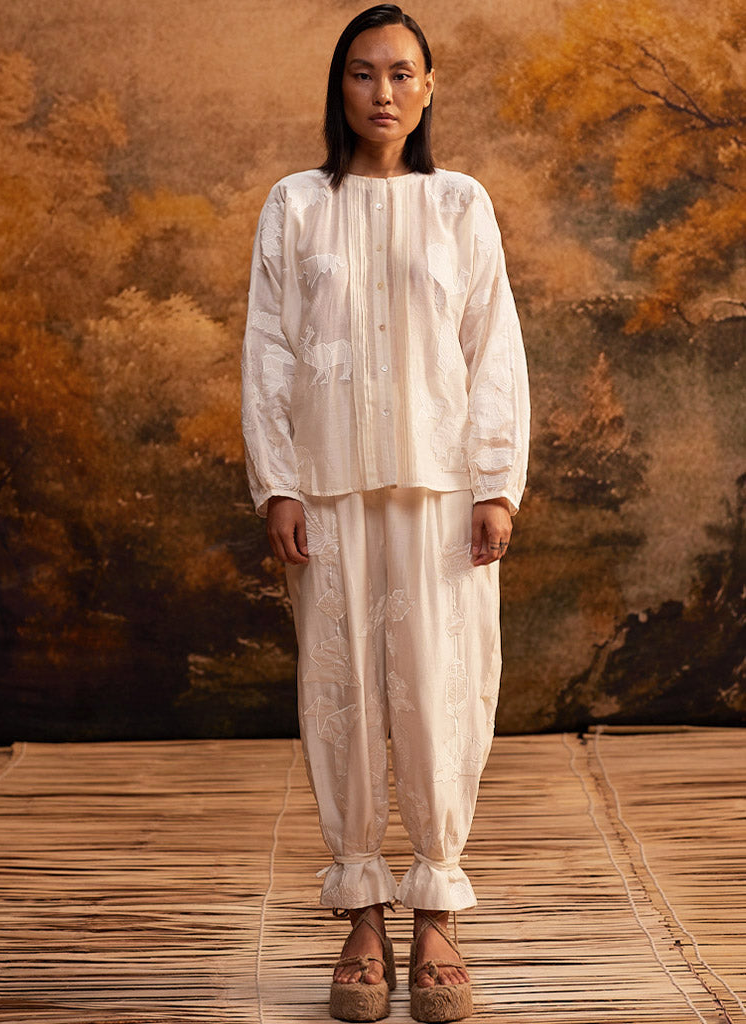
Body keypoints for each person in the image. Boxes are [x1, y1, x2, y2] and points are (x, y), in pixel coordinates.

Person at [241, 5, 529, 1021]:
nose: (384, 92)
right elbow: (269, 348)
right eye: (364, 73)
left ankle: (436, 913)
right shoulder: (295, 205)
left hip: (442, 493)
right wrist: (278, 480)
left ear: (429, 86)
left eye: (403, 73)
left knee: (444, 691)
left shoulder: (459, 203)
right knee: (342, 692)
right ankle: (362, 912)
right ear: (340, 87)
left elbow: (493, 347)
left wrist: (495, 484)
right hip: (326, 492)